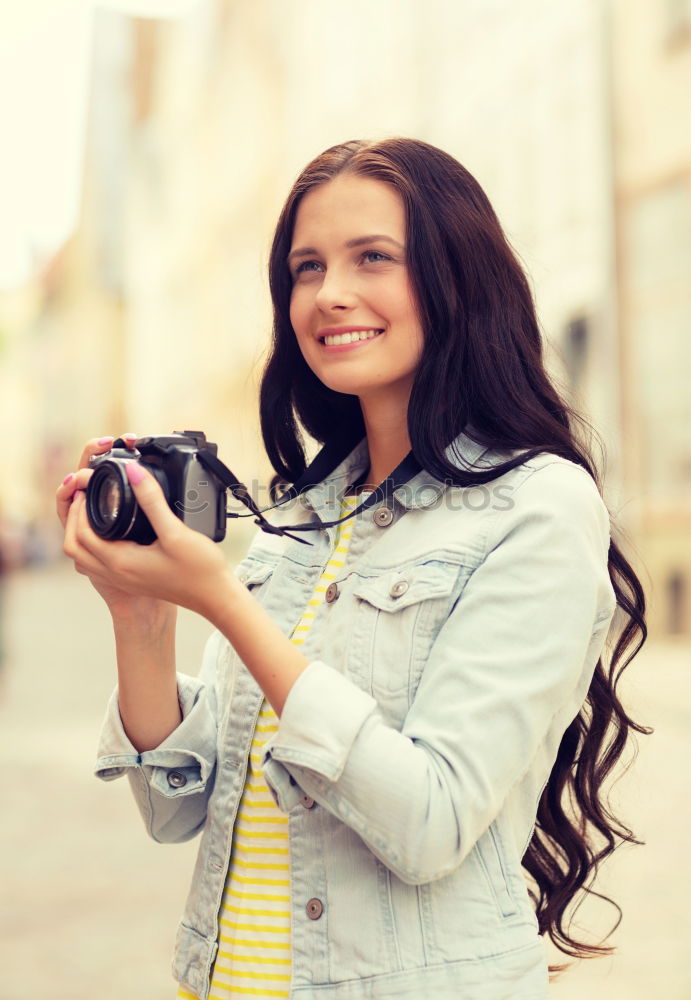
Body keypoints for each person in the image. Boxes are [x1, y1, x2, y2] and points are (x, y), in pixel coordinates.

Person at [57, 138, 648, 1000]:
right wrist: (140, 612)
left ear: (456, 279)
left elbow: (428, 822)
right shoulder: (298, 514)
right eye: (305, 267)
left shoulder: (539, 506)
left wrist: (222, 599)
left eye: (372, 257)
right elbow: (177, 809)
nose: (329, 294)